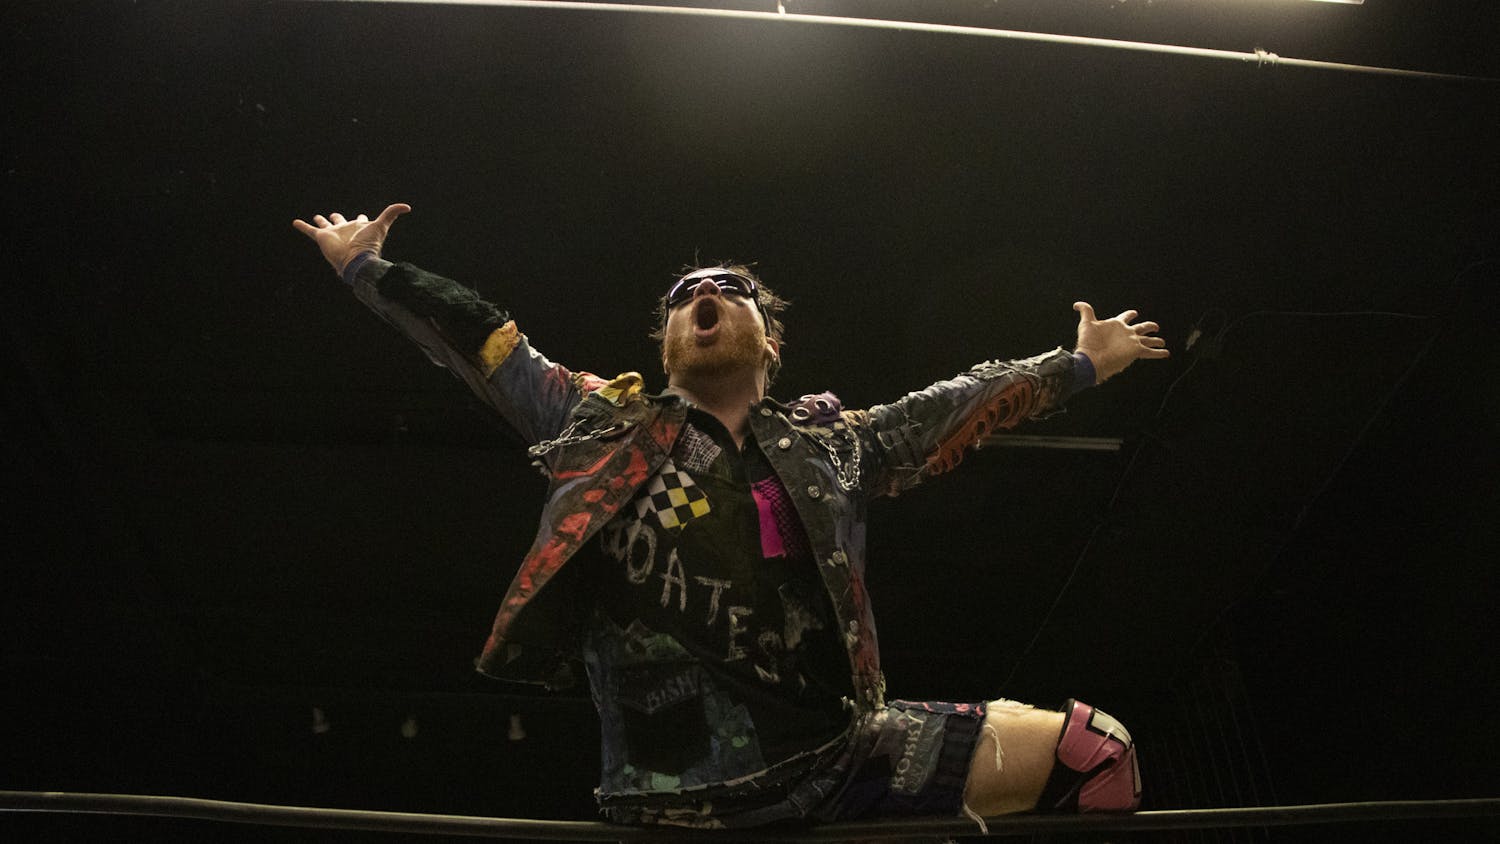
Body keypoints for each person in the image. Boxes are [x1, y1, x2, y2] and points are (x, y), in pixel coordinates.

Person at [293, 203, 1168, 829]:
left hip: (834, 761)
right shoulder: (597, 422)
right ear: (667, 341)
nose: (702, 292)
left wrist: (1080, 364)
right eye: (685, 292)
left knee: (1101, 751)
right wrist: (368, 270)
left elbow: (950, 406)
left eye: (728, 287)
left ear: (769, 339)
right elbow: (487, 344)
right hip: (667, 795)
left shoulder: (834, 445)